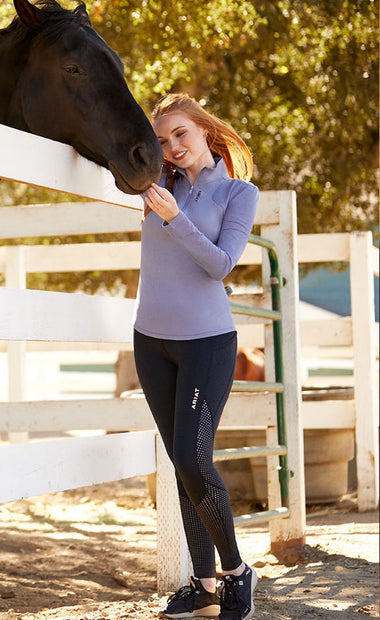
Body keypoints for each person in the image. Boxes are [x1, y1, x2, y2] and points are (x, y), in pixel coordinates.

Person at [135, 93, 260, 620]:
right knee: (180, 464)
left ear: (205, 131)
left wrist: (172, 219)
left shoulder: (237, 192)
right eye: (162, 141)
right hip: (151, 341)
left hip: (207, 343)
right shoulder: (155, 183)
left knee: (193, 457)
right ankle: (202, 583)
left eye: (180, 134)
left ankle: (236, 574)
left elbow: (222, 264)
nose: (172, 146)